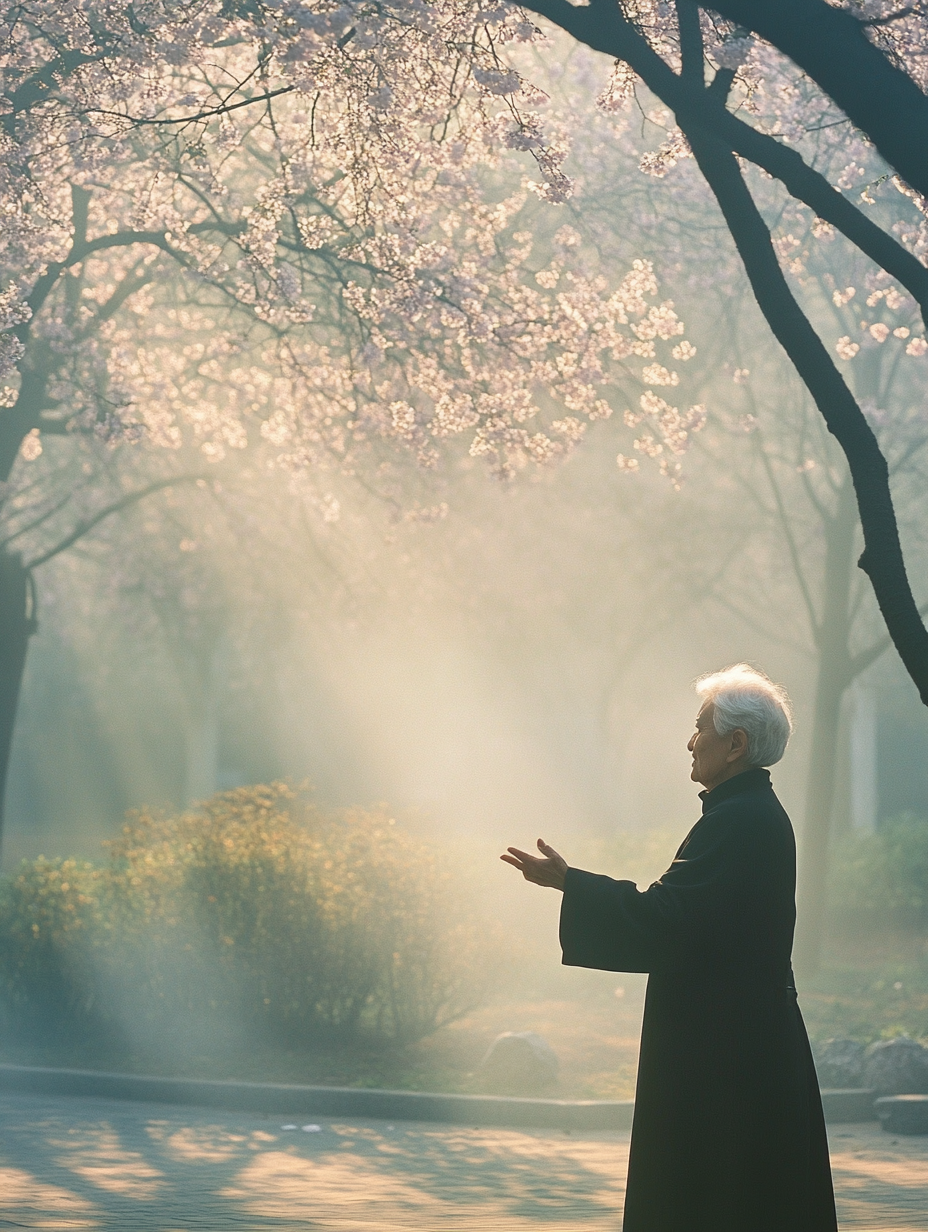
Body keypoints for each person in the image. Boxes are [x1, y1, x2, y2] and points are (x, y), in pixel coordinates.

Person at [501, 664, 837, 1232]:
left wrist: (571, 883)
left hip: (725, 1063)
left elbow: (669, 919)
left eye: (700, 726)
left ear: (736, 745)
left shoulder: (740, 822)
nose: (690, 739)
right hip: (739, 1048)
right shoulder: (747, 815)